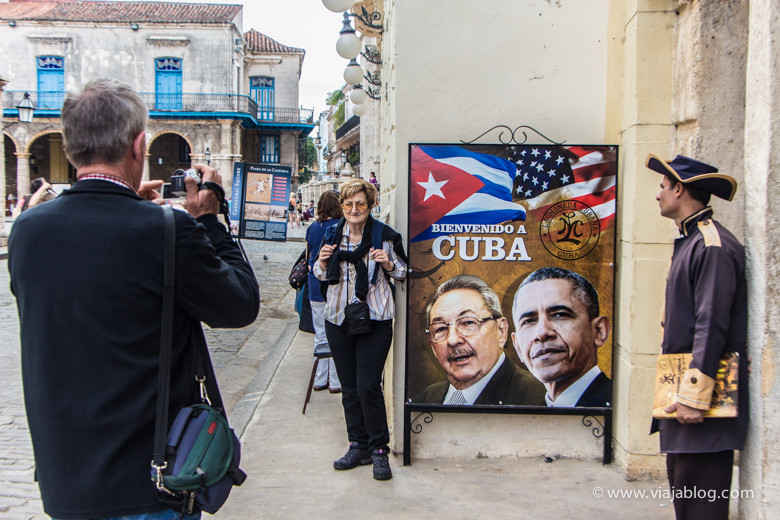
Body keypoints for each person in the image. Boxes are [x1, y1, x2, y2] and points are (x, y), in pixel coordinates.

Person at [7, 78, 261, 520]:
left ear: (70, 148)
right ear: (139, 146)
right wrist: (208, 220)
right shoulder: (167, 231)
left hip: (66, 483)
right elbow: (240, 304)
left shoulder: (28, 232)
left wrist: (133, 211)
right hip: (149, 483)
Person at [645, 153, 747, 520]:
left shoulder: (711, 246)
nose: (658, 195)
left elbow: (711, 325)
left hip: (702, 401)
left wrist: (693, 396)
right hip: (684, 392)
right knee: (687, 499)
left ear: (679, 188)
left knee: (700, 507)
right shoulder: (693, 239)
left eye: (662, 186)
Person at [313, 178, 407, 481]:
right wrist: (323, 262)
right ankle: (358, 445)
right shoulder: (331, 233)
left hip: (375, 319)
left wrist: (389, 266)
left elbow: (406, 271)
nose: (354, 209)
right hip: (338, 318)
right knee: (350, 388)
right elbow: (318, 272)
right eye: (349, 204)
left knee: (368, 386)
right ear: (342, 206)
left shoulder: (384, 235)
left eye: (360, 204)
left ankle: (380, 450)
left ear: (370, 206)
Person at [413, 275, 545, 406]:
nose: (453, 340)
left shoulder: (541, 398)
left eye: (468, 322)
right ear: (432, 345)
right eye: (441, 329)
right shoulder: (425, 399)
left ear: (501, 331)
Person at [511, 267, 612, 407]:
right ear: (518, 347)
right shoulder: (520, 413)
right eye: (529, 321)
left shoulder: (625, 406)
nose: (541, 333)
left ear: (599, 331)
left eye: (559, 315)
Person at [306, 191, 342, 393]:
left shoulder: (312, 227)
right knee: (336, 332)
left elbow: (308, 255)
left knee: (320, 333)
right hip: (333, 284)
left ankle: (320, 379)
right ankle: (336, 381)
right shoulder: (340, 227)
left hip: (314, 284)